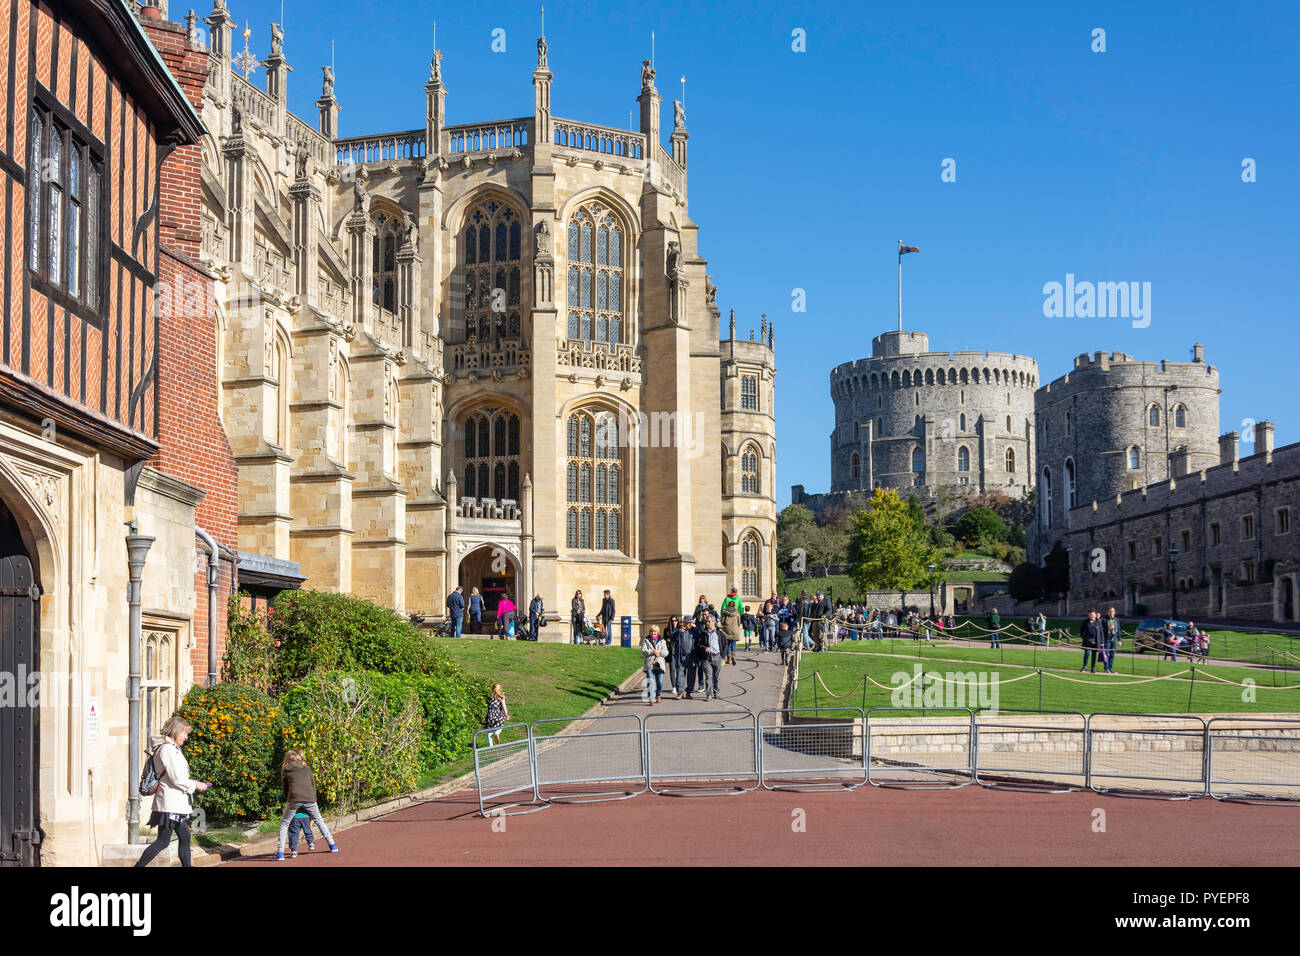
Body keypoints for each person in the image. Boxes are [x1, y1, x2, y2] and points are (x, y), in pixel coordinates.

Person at [134, 715, 210, 868]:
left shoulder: (172, 748)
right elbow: (176, 778)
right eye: (184, 733)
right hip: (170, 804)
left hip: (174, 803)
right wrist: (196, 785)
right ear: (175, 731)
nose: (186, 737)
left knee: (183, 837)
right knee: (163, 841)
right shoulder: (167, 749)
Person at [275, 751, 338, 860]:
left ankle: (280, 853)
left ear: (288, 759)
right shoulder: (307, 769)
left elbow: (285, 790)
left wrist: (286, 798)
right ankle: (332, 844)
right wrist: (313, 799)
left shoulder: (286, 770)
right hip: (310, 798)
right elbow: (313, 786)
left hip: (294, 798)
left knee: (285, 823)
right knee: (318, 819)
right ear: (300, 758)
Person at [672, 613, 697, 698]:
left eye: (691, 622)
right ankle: (680, 692)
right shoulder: (679, 629)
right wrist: (678, 633)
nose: (690, 624)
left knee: (691, 676)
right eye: (688, 622)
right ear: (684, 622)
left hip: (691, 656)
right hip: (681, 656)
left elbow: (699, 638)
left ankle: (688, 692)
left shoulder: (694, 630)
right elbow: (671, 638)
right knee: (680, 675)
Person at [641, 625, 668, 704]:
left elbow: (666, 652)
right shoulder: (646, 640)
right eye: (651, 631)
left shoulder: (662, 641)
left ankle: (659, 695)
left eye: (655, 632)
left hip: (659, 664)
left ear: (658, 633)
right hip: (650, 664)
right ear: (649, 632)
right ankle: (651, 698)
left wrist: (659, 652)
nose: (653, 633)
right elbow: (643, 650)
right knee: (651, 681)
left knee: (659, 681)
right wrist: (652, 651)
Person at [698, 615, 723, 700]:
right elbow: (699, 645)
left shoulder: (719, 633)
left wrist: (722, 655)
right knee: (708, 677)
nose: (707, 623)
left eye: (709, 621)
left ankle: (716, 692)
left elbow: (725, 644)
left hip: (717, 657)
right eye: (706, 622)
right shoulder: (703, 633)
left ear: (714, 622)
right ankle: (709, 694)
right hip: (706, 658)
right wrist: (705, 648)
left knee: (716, 677)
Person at [720, 587, 744, 664]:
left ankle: (728, 658)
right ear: (736, 592)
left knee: (727, 643)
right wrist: (739, 621)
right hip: (734, 625)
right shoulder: (738, 599)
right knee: (733, 642)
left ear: (731, 591)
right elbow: (741, 609)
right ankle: (733, 654)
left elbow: (722, 608)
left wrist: (722, 620)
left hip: (727, 626)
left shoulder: (727, 598)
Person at [1103, 607, 1121, 673]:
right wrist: (1108, 628)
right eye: (1110, 611)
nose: (1111, 613)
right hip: (1107, 639)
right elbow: (1101, 630)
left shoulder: (1116, 620)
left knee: (1112, 654)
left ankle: (1110, 668)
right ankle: (1106, 668)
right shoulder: (1104, 620)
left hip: (1114, 639)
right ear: (1108, 612)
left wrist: (1119, 640)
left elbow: (1118, 630)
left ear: (1114, 612)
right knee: (1106, 654)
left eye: (1113, 611)